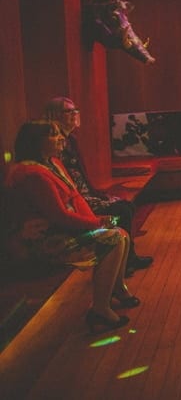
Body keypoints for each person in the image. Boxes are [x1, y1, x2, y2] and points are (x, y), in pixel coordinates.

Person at [4, 121, 139, 333]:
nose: (60, 138)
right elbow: (59, 217)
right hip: (48, 240)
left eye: (59, 133)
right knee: (113, 238)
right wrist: (97, 223)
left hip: (63, 229)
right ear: (35, 142)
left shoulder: (53, 163)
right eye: (53, 135)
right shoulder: (32, 174)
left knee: (121, 234)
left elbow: (74, 200)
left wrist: (97, 219)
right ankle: (100, 309)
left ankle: (117, 288)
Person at [45, 97, 153, 276]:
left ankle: (128, 257)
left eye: (75, 110)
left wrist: (97, 193)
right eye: (69, 111)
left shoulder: (71, 139)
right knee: (122, 209)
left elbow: (81, 175)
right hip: (76, 200)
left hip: (85, 195)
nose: (74, 114)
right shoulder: (57, 146)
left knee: (126, 205)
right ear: (55, 115)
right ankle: (122, 263)